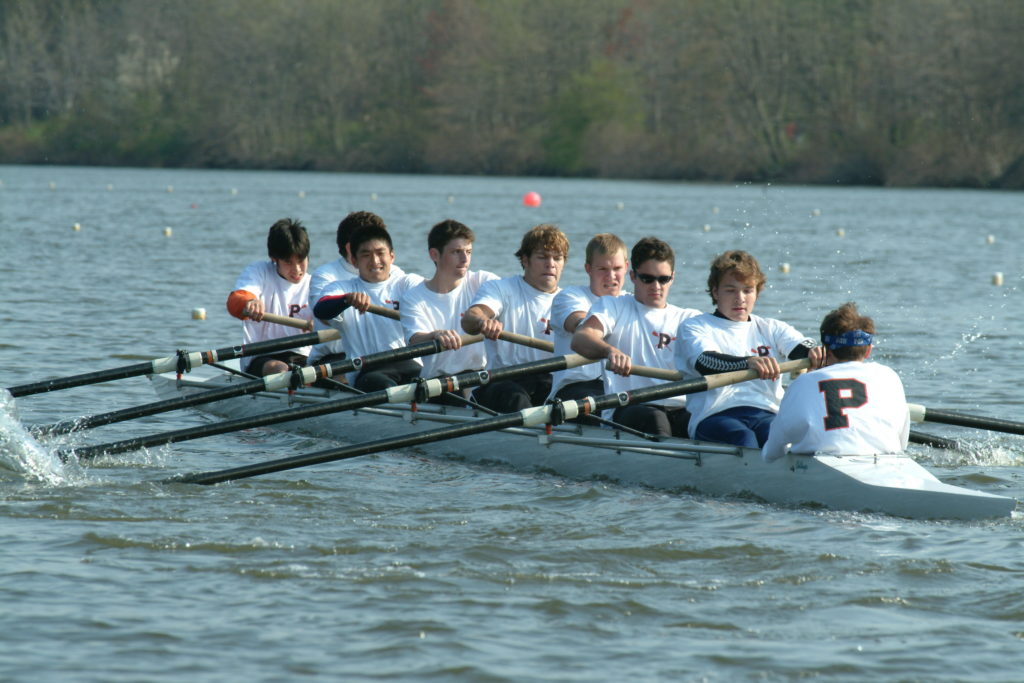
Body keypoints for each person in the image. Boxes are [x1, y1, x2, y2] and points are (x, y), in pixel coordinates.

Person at [677, 250, 826, 447]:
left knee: (781, 439)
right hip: (715, 415)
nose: (740, 299)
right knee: (745, 440)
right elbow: (706, 362)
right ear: (715, 292)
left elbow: (802, 346)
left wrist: (814, 351)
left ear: (757, 291)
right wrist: (748, 362)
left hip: (766, 413)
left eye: (747, 290)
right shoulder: (695, 326)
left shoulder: (770, 328)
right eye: (730, 290)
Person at [571, 237, 701, 436]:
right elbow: (581, 338)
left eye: (663, 279)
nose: (656, 286)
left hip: (680, 407)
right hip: (628, 405)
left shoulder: (690, 318)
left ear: (672, 278)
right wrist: (610, 351)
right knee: (655, 421)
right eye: (647, 279)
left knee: (704, 422)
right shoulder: (613, 306)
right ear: (633, 276)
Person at [761, 303, 909, 462]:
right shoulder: (888, 375)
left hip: (824, 467)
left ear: (826, 350)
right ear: (868, 351)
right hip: (888, 462)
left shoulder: (803, 382)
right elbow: (902, 442)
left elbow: (772, 453)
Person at [461, 224, 568, 413]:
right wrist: (482, 322)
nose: (550, 264)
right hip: (502, 381)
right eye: (542, 257)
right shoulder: (501, 289)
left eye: (557, 258)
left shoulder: (570, 301)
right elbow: (471, 317)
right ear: (525, 260)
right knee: (516, 398)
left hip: (548, 383)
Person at [312, 223, 424, 392]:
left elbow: (434, 295)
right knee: (386, 387)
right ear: (355, 261)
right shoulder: (342, 289)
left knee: (443, 386)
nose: (375, 261)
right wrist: (346, 300)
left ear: (392, 256)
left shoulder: (408, 283)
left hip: (410, 364)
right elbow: (320, 310)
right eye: (366, 255)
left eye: (380, 253)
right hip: (367, 371)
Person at [400, 219, 500, 389]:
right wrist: (434, 335)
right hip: (439, 382)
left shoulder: (484, 282)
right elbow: (415, 339)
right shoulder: (413, 298)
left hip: (481, 376)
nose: (464, 259)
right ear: (434, 255)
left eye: (468, 252)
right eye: (456, 252)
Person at [307, 211, 408, 367]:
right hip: (335, 357)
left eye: (380, 249)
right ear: (350, 248)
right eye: (367, 251)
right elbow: (322, 316)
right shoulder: (327, 275)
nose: (375, 260)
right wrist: (347, 300)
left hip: (390, 358)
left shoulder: (396, 274)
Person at [547, 233, 630, 405]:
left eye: (617, 269)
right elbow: (580, 324)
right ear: (588, 269)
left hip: (618, 388)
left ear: (627, 268)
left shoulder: (632, 303)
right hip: (575, 387)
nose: (611, 276)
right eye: (603, 269)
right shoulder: (570, 297)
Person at [226, 218, 314, 376]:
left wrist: (323, 321)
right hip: (262, 355)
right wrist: (249, 303)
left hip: (303, 356)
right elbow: (235, 302)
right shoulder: (259, 272)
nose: (297, 270)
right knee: (281, 369)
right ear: (274, 258)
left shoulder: (315, 284)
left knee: (323, 372)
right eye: (288, 262)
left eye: (301, 261)